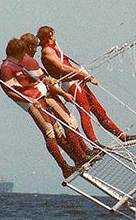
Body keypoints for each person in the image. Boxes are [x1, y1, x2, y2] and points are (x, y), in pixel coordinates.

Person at [37, 26, 136, 144]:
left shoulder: (54, 49)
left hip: (77, 81)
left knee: (99, 110)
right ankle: (94, 142)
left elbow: (68, 64)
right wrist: (82, 75)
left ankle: (122, 136)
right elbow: (61, 67)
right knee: (85, 111)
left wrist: (84, 74)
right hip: (71, 83)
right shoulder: (47, 51)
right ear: (50, 34)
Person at [0, 38, 85, 178]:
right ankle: (64, 167)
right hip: (32, 103)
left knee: (58, 130)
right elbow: (10, 91)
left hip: (40, 97)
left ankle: (77, 159)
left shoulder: (17, 64)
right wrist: (29, 100)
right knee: (49, 132)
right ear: (18, 52)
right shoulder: (6, 68)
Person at [19, 33, 95, 163]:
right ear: (30, 47)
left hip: (45, 96)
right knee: (67, 124)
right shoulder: (28, 62)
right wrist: (64, 93)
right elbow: (46, 82)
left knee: (62, 128)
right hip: (44, 97)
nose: (36, 50)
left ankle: (83, 153)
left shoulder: (23, 61)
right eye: (35, 48)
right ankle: (81, 155)